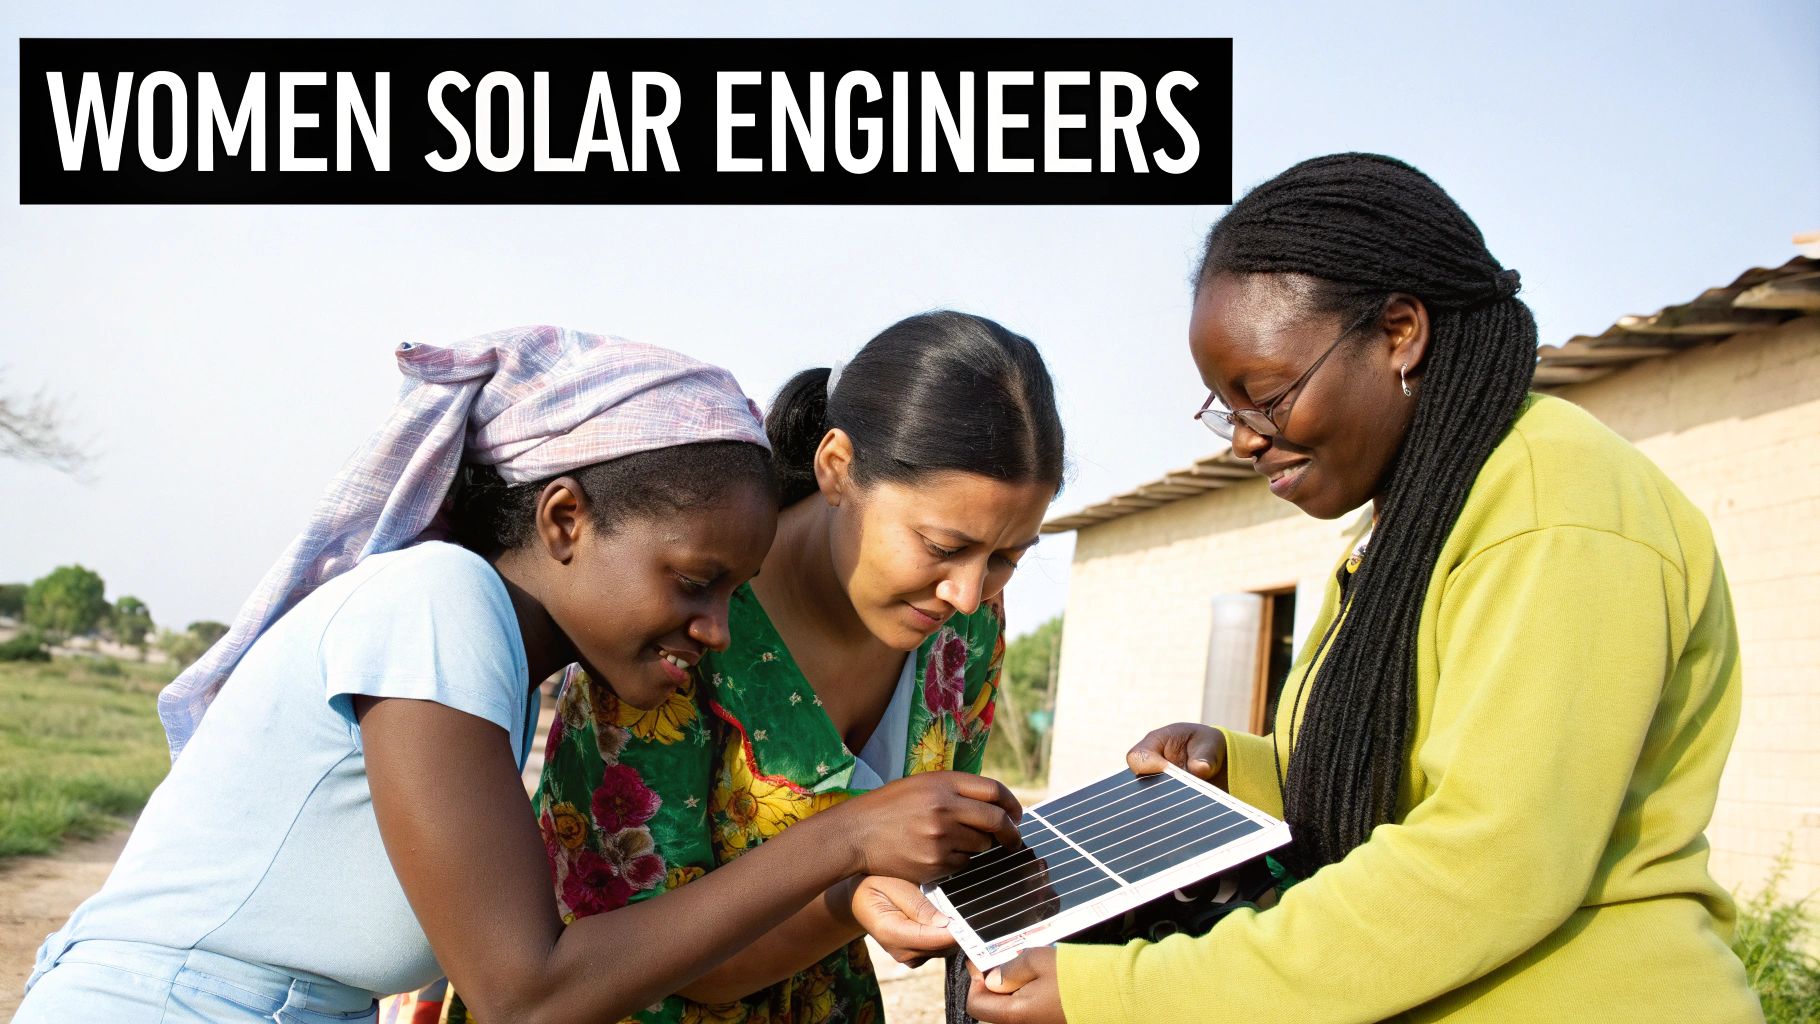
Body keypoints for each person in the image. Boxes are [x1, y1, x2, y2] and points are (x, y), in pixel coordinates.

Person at [15, 326, 1025, 1024]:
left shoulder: (499, 661)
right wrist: (848, 835)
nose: (718, 630)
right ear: (564, 521)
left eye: (734, 594)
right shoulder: (436, 604)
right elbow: (524, 994)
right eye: (695, 582)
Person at [964, 155, 1764, 1023]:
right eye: (1225, 409)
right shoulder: (1416, 520)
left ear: (1401, 332)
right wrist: (1250, 772)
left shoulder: (1552, 511)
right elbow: (1411, 781)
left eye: (1265, 396)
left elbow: (1484, 868)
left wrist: (1122, 992)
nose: (1244, 440)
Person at [511, 311, 1065, 1024]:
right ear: (838, 469)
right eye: (939, 545)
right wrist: (847, 886)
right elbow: (642, 961)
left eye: (1007, 558)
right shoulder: (682, 623)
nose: (966, 592)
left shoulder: (967, 632)